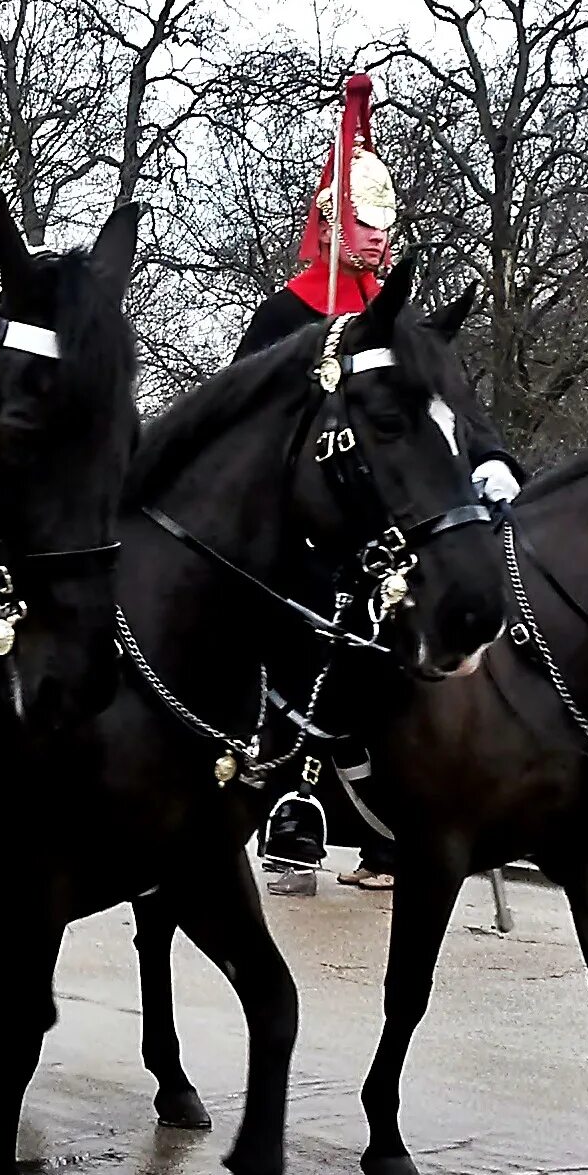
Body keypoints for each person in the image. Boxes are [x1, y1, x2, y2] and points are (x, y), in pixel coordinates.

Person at [236, 74, 521, 892]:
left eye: (386, 230)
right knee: (297, 629)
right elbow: (250, 417)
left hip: (387, 524)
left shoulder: (401, 327)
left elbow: (450, 413)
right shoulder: (289, 316)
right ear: (328, 226)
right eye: (364, 226)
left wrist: (492, 459)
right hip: (303, 523)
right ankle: (291, 799)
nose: (378, 242)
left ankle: (398, 816)